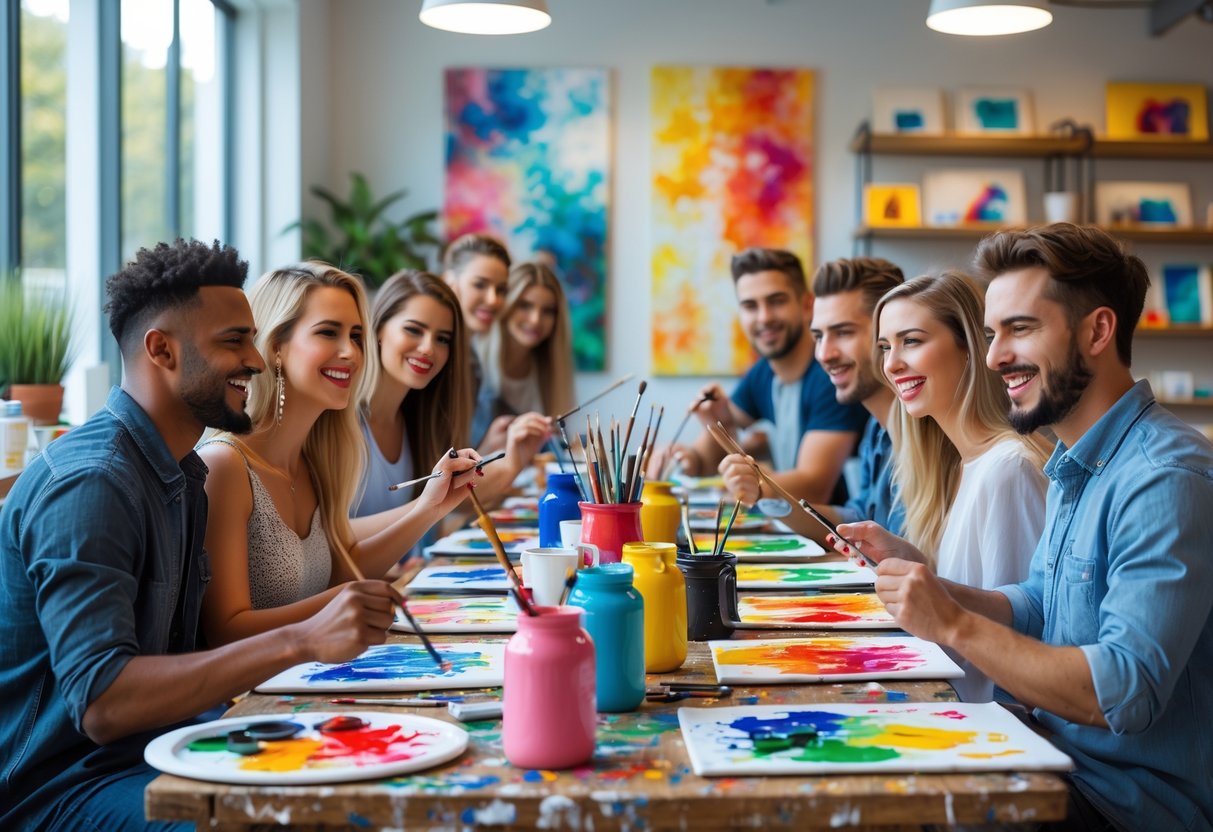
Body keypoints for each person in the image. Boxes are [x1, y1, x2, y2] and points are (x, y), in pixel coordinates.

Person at [0, 240, 399, 830]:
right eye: (233, 341)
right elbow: (105, 703)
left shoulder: (181, 471)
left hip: (160, 751)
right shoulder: (93, 482)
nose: (257, 361)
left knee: (365, 780)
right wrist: (302, 641)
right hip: (62, 788)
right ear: (161, 349)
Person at [833, 224, 1213, 830]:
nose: (993, 357)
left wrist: (953, 621)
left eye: (1021, 329)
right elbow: (1037, 606)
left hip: (1124, 803)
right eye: (990, 334)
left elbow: (1122, 690)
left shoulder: (1164, 476)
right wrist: (934, 589)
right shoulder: (1075, 460)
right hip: (1057, 761)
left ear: (1097, 331)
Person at [199, 262, 478, 646]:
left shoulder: (314, 461)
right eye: (328, 332)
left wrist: (432, 508)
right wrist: (338, 603)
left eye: (357, 335)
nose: (351, 352)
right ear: (276, 345)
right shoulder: (224, 465)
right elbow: (222, 634)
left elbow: (344, 570)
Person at [874, 271, 1050, 701]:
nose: (892, 364)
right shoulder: (954, 467)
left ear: (971, 351)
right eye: (885, 347)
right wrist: (916, 565)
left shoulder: (1008, 469)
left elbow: (1015, 643)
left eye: (911, 341)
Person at [657, 247, 869, 503]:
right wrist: (684, 459)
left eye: (776, 301)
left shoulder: (831, 373)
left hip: (836, 534)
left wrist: (751, 483)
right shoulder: (763, 373)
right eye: (750, 306)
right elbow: (714, 445)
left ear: (806, 305)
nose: (764, 317)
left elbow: (815, 486)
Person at [719, 256, 907, 541]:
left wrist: (763, 484)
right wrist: (763, 494)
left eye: (843, 332)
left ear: (889, 335)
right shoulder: (877, 431)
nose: (824, 355)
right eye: (818, 336)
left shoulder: (929, 435)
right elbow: (854, 521)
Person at [356, 269, 550, 521]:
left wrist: (508, 458)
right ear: (379, 329)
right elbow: (334, 542)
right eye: (414, 330)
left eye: (442, 339)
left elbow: (450, 504)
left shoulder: (418, 422)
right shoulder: (344, 422)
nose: (428, 348)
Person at [477, 260, 576, 421]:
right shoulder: (474, 362)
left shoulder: (550, 371)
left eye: (548, 311)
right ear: (506, 305)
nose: (535, 320)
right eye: (525, 305)